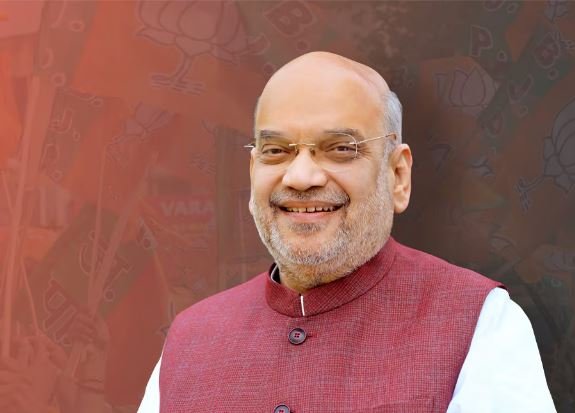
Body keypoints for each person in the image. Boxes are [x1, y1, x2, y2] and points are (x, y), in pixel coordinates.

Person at [137, 52, 556, 412]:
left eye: (340, 148)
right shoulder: (190, 339)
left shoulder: (478, 321)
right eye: (276, 151)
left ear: (398, 175)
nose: (300, 177)